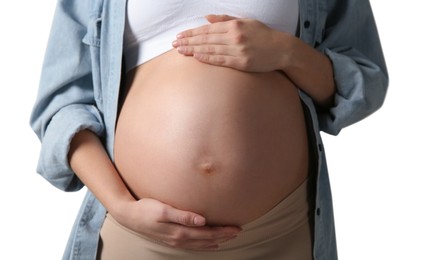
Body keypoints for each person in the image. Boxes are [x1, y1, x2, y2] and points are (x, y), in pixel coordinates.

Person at [30, 0, 387, 259]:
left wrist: (286, 52)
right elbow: (62, 106)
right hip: (141, 233)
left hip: (279, 231)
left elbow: (364, 82)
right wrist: (121, 206)